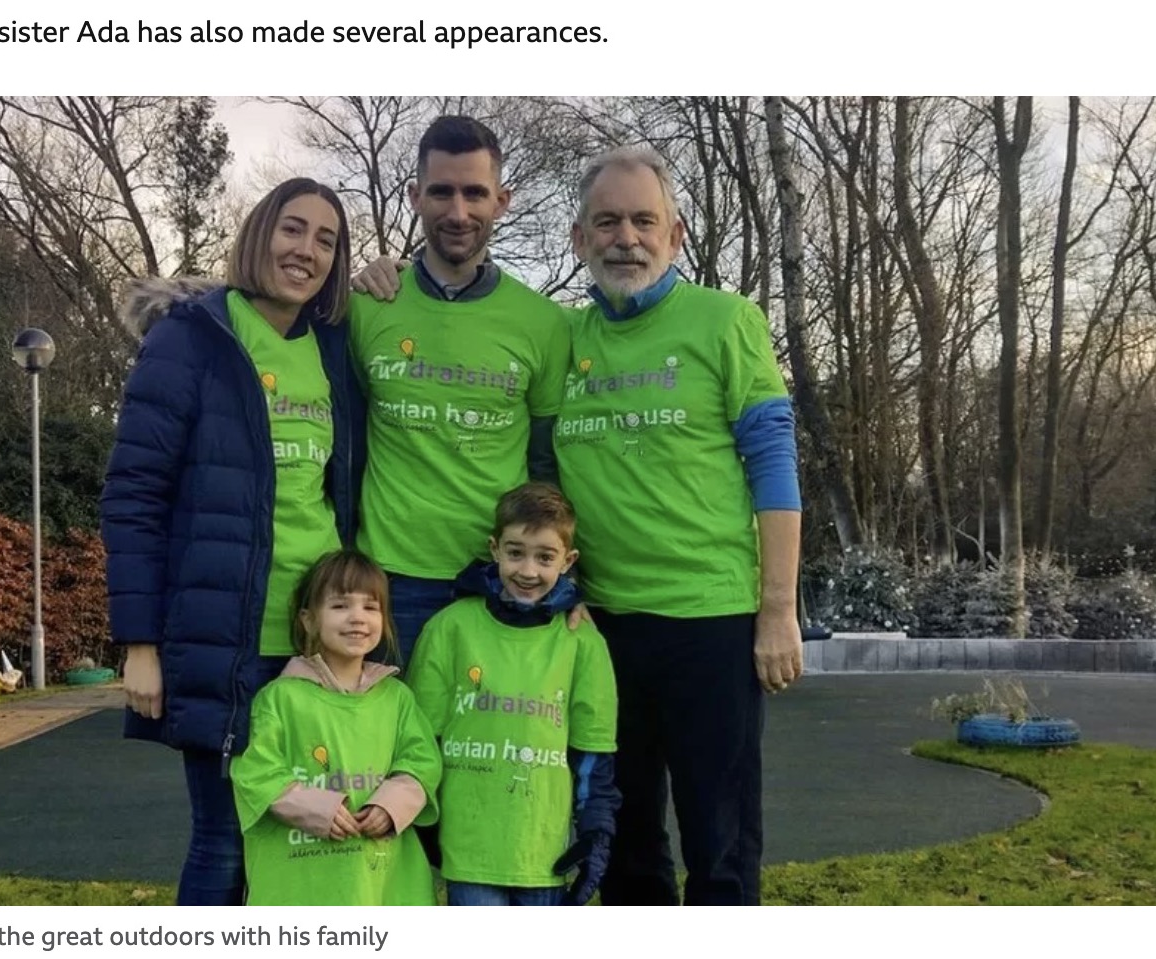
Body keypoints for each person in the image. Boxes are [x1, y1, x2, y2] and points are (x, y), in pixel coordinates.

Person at [100, 178, 366, 906]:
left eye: (326, 240)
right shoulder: (191, 339)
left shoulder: (335, 350)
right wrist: (141, 642)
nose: (305, 250)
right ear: (257, 235)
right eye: (292, 229)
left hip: (317, 637)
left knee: (299, 840)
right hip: (224, 635)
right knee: (225, 838)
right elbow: (134, 495)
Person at [553, 147, 804, 906]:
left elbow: (772, 463)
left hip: (712, 622)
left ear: (677, 233)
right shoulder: (558, 340)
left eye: (642, 220)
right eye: (607, 221)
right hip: (601, 628)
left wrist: (777, 606)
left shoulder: (727, 321)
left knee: (718, 843)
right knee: (624, 842)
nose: (624, 236)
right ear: (578, 239)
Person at [348, 116, 572, 663]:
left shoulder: (544, 323)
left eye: (475, 193)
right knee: (386, 749)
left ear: (501, 200)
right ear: (415, 197)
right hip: (387, 581)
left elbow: (547, 464)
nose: (458, 212)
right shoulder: (366, 305)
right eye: (441, 192)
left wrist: (559, 578)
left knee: (483, 748)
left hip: (500, 581)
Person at [408, 482, 619, 906]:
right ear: (494, 548)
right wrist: (424, 821)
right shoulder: (449, 628)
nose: (528, 570)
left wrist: (596, 830)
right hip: (470, 849)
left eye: (545, 557)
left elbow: (593, 752)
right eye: (515, 552)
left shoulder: (583, 642)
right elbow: (419, 741)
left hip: (543, 853)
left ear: (568, 560)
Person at [231, 549, 441, 905]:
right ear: (308, 620)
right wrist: (315, 809)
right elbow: (255, 771)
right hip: (303, 882)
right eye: (340, 606)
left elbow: (423, 762)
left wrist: (391, 806)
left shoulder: (397, 698)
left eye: (370, 607)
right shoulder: (280, 698)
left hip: (382, 884)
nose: (357, 618)